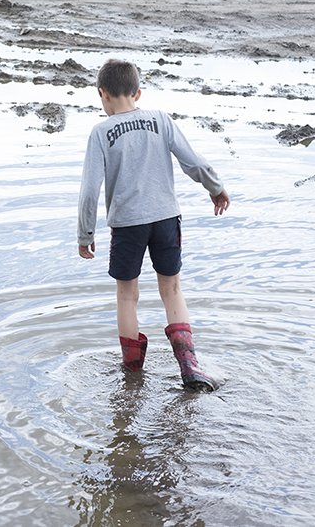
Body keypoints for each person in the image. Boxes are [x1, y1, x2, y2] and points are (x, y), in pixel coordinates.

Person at [77, 59, 230, 392]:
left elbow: (89, 190)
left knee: (127, 297)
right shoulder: (161, 119)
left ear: (102, 94)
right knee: (172, 290)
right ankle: (190, 367)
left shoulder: (101, 132)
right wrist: (215, 188)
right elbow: (193, 161)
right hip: (165, 218)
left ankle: (132, 376)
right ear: (138, 92)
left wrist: (85, 234)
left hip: (127, 225)